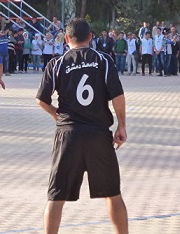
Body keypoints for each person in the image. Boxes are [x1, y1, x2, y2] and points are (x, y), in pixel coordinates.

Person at [35, 18, 128, 234]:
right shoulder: (104, 61)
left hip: (68, 134)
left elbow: (41, 99)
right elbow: (118, 96)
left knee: (56, 197)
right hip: (98, 134)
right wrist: (121, 125)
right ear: (90, 37)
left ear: (66, 39)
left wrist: (56, 115)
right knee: (112, 194)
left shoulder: (56, 64)